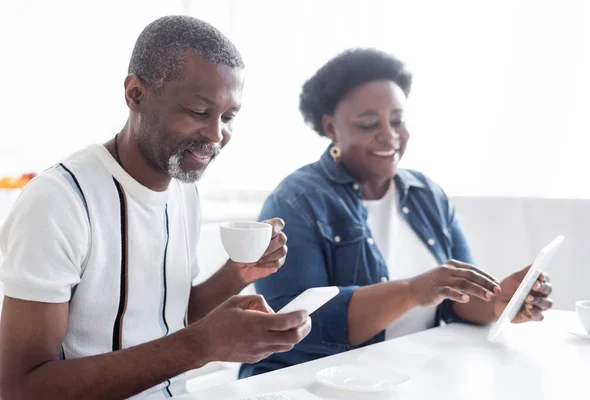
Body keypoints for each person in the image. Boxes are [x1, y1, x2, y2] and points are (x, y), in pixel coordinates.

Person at [0, 16, 311, 399]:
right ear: (135, 94)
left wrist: (239, 273)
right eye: (199, 112)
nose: (217, 136)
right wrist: (199, 346)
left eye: (228, 118)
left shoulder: (184, 190)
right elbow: (21, 387)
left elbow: (168, 316)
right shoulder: (59, 201)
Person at [239, 48, 553, 378]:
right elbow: (298, 324)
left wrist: (499, 303)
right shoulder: (295, 202)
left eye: (398, 121)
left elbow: (456, 298)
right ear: (331, 127)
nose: (389, 135)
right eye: (368, 123)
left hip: (400, 379)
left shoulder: (427, 195)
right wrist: (414, 290)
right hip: (304, 383)